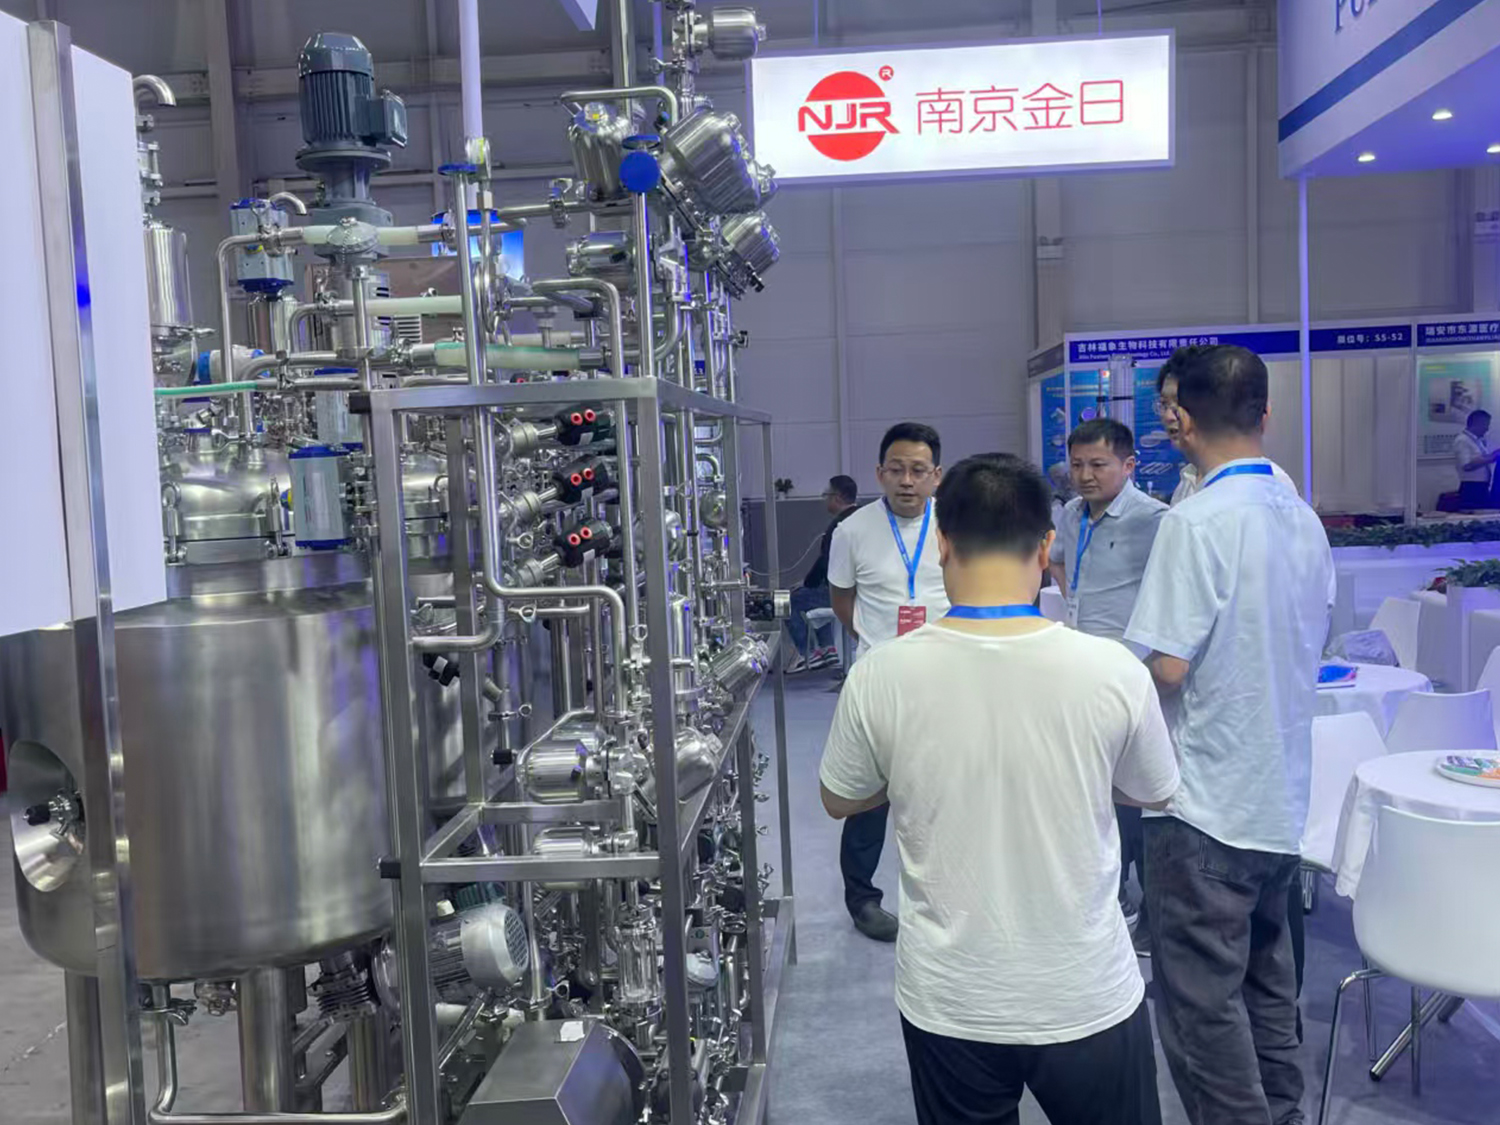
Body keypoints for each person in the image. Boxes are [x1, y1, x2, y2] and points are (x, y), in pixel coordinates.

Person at [820, 454, 1179, 1125]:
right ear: (1046, 547)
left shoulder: (882, 673)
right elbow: (1153, 790)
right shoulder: (1112, 669)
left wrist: (909, 772)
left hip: (951, 997)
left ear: (943, 544)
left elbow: (841, 797)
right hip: (1084, 990)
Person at [1125, 345, 1334, 1125]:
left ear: (1178, 419)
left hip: (1203, 805)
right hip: (1279, 798)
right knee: (1268, 990)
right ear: (1266, 414)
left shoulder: (1194, 521)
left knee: (1200, 1014)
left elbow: (1168, 667)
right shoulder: (1302, 517)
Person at [826, 422, 949, 942]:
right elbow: (842, 600)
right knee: (868, 797)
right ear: (879, 473)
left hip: (945, 679)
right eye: (896, 469)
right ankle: (863, 900)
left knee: (945, 791)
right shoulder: (852, 530)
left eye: (918, 470)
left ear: (936, 475)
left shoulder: (954, 522)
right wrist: (877, 643)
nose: (907, 481)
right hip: (877, 681)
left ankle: (946, 892)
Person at [1048, 418, 1166, 942]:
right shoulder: (1071, 514)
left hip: (1132, 673)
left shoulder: (1155, 521)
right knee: (1092, 785)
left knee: (1135, 790)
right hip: (1082, 668)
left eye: (1098, 464)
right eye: (1077, 465)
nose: (1085, 475)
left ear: (1129, 465)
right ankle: (1111, 892)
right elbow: (1056, 563)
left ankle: (1147, 903)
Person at [1156, 348, 1295, 504]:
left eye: (1178, 403)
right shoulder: (1188, 478)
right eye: (1164, 404)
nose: (1169, 416)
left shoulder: (1272, 482)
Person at [785, 475, 860, 674]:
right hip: (862, 590)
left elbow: (826, 563)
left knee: (788, 601)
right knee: (815, 594)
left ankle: (808, 653)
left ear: (837, 497)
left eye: (826, 495)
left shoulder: (839, 527)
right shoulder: (864, 519)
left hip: (846, 594)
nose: (824, 500)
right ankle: (828, 650)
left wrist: (806, 583)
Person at [1453, 408, 1498, 510]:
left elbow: (1481, 458)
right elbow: (1467, 466)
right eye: (1486, 425)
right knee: (1473, 514)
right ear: (1477, 423)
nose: (1487, 429)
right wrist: (1491, 458)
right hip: (1472, 487)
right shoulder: (1462, 440)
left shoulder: (1477, 441)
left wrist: (1494, 454)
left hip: (1482, 486)